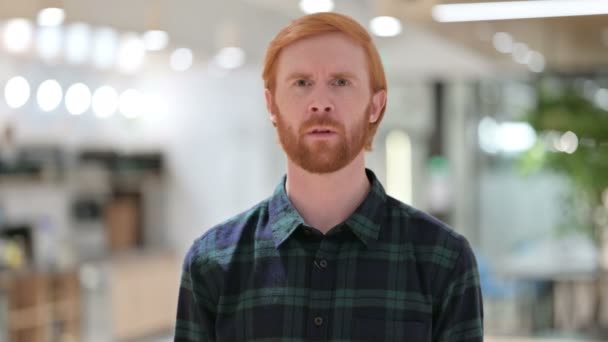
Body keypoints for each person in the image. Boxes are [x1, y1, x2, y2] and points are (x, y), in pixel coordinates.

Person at [175, 12, 483, 341]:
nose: (320, 103)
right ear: (272, 105)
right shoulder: (212, 263)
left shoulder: (443, 259)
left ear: (375, 106)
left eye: (340, 82)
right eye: (301, 83)